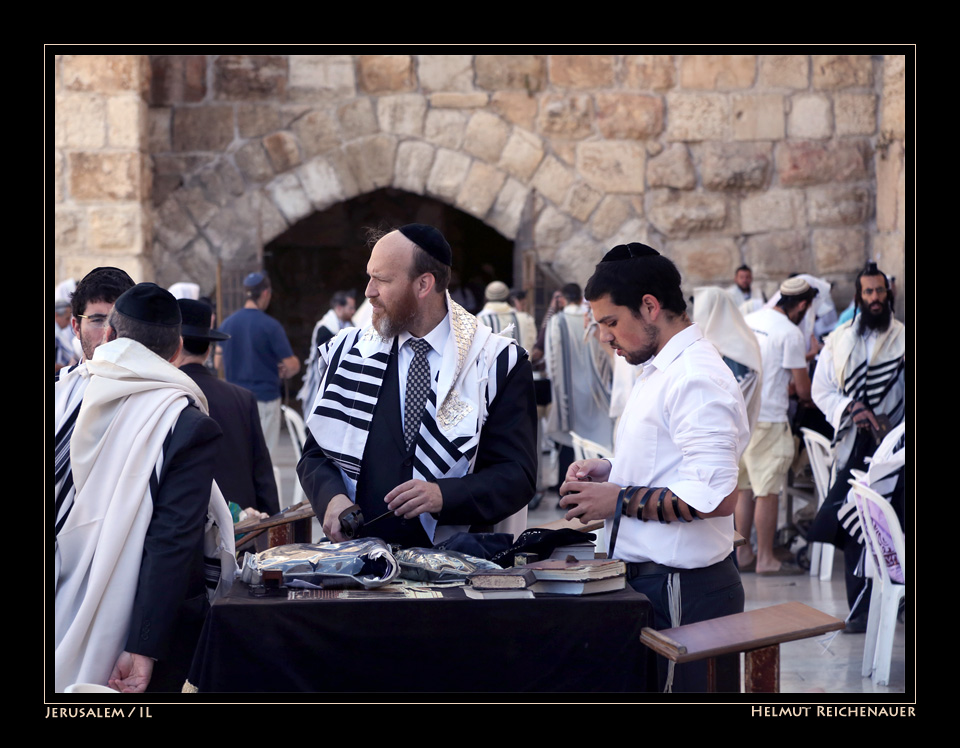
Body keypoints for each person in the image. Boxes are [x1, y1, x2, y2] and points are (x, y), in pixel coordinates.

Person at [559, 242, 750, 692]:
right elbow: (671, 463)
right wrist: (611, 471)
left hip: (685, 588)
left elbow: (717, 497)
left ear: (649, 306)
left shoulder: (695, 376)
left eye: (611, 322)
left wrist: (619, 500)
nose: (605, 337)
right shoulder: (663, 368)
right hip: (660, 585)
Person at [297, 224, 537, 547]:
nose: (368, 291)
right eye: (369, 277)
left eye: (381, 279)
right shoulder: (350, 351)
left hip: (458, 571)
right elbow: (314, 455)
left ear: (424, 284)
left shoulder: (496, 362)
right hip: (362, 567)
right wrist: (332, 498)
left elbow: (517, 477)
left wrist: (442, 495)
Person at [54, 283, 235, 693]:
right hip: (132, 627)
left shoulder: (64, 397)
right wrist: (143, 647)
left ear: (110, 337)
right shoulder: (186, 422)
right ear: (176, 351)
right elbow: (171, 540)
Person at [809, 261, 905, 631]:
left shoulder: (902, 339)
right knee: (854, 526)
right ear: (859, 297)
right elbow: (821, 391)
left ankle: (898, 601)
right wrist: (850, 407)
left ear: (888, 294)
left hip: (894, 451)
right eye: (869, 292)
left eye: (880, 291)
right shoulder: (839, 341)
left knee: (895, 526)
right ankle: (860, 609)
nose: (876, 298)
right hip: (852, 447)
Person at [736, 277, 819, 575]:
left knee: (744, 488)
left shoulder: (751, 319)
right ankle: (766, 558)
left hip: (743, 415)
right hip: (770, 419)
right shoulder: (791, 333)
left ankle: (743, 555)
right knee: (767, 491)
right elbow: (803, 388)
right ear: (801, 305)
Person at [176, 298, 280, 518]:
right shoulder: (242, 398)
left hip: (188, 529)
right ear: (208, 351)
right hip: (242, 533)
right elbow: (263, 479)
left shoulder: (167, 398)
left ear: (174, 345)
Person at [217, 272, 300, 458]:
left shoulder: (227, 324)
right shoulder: (271, 326)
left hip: (235, 400)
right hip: (265, 399)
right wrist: (285, 368)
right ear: (265, 293)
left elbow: (218, 361)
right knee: (264, 457)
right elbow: (292, 365)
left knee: (240, 456)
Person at [544, 282, 615, 482]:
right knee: (595, 439)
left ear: (564, 298)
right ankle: (598, 482)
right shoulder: (592, 318)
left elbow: (552, 359)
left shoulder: (557, 321)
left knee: (569, 438)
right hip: (595, 388)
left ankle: (565, 485)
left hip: (569, 391)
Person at [297, 290, 357, 418]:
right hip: (324, 378)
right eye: (350, 308)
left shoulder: (350, 325)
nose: (353, 311)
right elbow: (324, 358)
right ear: (339, 308)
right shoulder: (325, 328)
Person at [477, 280, 537, 351]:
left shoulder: (478, 321)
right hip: (521, 361)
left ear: (486, 298)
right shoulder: (526, 319)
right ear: (509, 298)